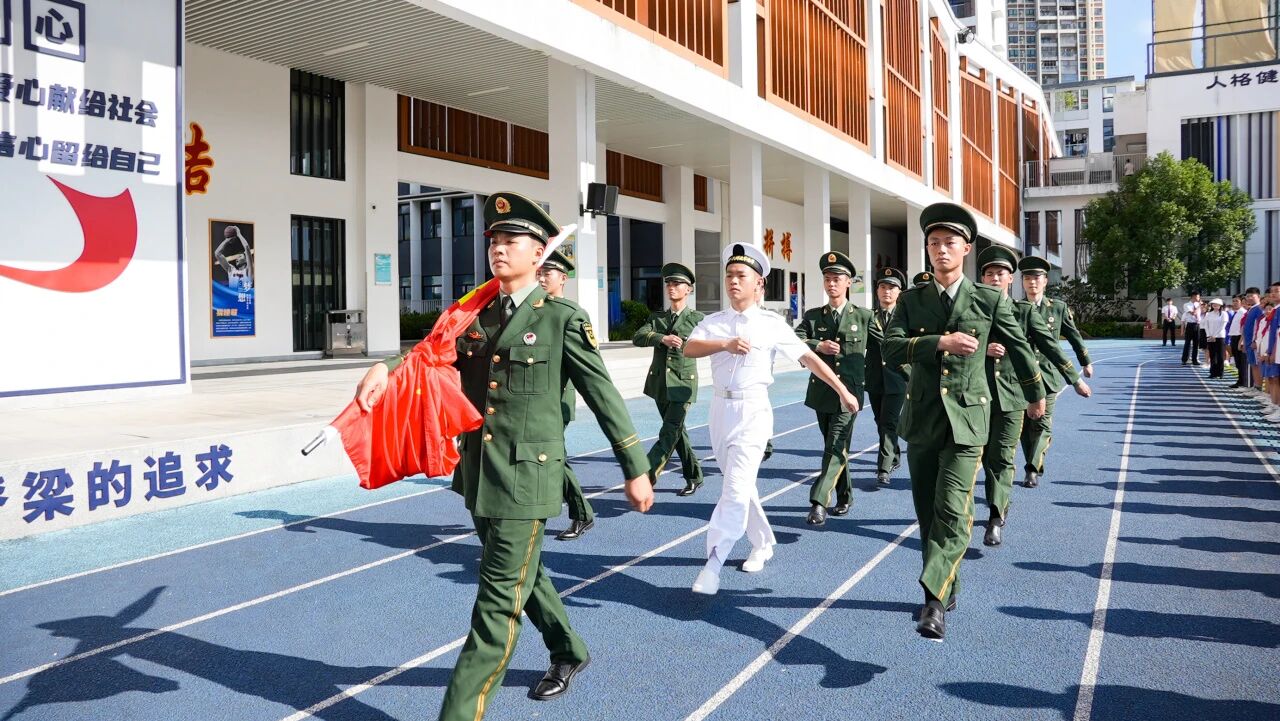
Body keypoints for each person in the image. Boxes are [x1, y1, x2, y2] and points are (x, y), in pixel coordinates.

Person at [354, 192, 653, 719]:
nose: (498, 247)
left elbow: (602, 394)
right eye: (494, 239)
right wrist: (386, 367)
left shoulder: (561, 318)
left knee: (495, 603)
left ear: (538, 253)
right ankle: (568, 649)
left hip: (527, 479)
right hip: (479, 474)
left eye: (511, 240)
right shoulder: (475, 314)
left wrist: (635, 467)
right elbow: (431, 353)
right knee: (521, 574)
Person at [882, 202, 1046, 640]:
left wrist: (1035, 395)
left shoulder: (989, 299)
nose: (941, 250)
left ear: (966, 249)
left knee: (953, 510)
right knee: (927, 514)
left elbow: (1020, 347)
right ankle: (947, 585)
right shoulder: (912, 300)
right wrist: (940, 342)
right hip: (922, 421)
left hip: (969, 422)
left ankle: (932, 601)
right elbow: (890, 349)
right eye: (933, 243)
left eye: (949, 243)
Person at [682, 242, 859, 595]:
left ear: (759, 283)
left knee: (734, 488)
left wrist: (842, 389)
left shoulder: (771, 324)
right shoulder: (714, 322)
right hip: (720, 411)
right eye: (729, 275)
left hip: (753, 412)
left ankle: (713, 563)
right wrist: (724, 344)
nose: (733, 281)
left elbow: (809, 358)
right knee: (740, 485)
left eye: (741, 275)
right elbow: (689, 347)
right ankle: (763, 542)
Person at [976, 245, 1090, 547]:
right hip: (977, 398)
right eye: (989, 274)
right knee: (985, 457)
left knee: (1001, 457)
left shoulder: (1023, 312)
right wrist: (982, 349)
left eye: (1000, 273)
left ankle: (996, 517)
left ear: (1010, 279)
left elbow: (1051, 347)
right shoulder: (970, 312)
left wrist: (1075, 378)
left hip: (1013, 397)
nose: (994, 278)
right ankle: (996, 500)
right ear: (982, 279)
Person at [794, 251, 873, 525]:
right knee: (835, 447)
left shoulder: (864, 316)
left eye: (837, 279)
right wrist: (818, 345)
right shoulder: (813, 317)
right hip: (822, 393)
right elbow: (795, 340)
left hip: (848, 395)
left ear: (848, 282)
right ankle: (845, 495)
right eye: (827, 279)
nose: (831, 284)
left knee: (836, 444)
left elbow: (886, 347)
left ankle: (818, 502)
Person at [1017, 255, 1093, 489]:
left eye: (1036, 278)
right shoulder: (1015, 309)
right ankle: (1031, 461)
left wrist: (1085, 362)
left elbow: (1073, 336)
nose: (1032, 282)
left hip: (1048, 376)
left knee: (1042, 424)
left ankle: (1032, 468)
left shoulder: (1057, 308)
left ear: (1045, 281)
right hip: (1021, 377)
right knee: (1025, 427)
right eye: (1027, 278)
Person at [536, 250, 596, 540]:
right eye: (540, 273)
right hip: (533, 400)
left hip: (556, 401)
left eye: (548, 273)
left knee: (553, 457)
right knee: (548, 457)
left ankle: (582, 513)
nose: (542, 278)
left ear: (563, 278)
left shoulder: (570, 315)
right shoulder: (532, 311)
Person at [632, 263, 706, 496]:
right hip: (660, 384)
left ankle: (646, 475)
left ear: (688, 289)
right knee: (676, 431)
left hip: (683, 384)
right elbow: (638, 337)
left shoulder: (698, 319)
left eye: (677, 284)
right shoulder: (658, 318)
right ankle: (694, 476)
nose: (671, 287)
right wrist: (661, 338)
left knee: (669, 431)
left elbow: (712, 342)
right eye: (669, 284)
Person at [867, 267, 909, 487]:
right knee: (879, 421)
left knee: (888, 422)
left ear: (899, 292)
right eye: (883, 287)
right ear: (877, 291)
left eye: (892, 287)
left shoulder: (905, 318)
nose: (887, 291)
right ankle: (894, 454)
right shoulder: (868, 317)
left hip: (898, 378)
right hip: (875, 378)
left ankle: (883, 468)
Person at [1241, 287, 1265, 391]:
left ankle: (1258, 388)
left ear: (1258, 296)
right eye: (1247, 296)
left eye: (1252, 296)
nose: (1249, 298)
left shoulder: (1259, 309)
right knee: (1253, 364)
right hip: (1249, 342)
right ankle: (1256, 386)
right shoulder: (1251, 309)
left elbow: (1260, 326)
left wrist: (1255, 341)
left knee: (1256, 365)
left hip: (1254, 343)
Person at [1203, 298, 1228, 379]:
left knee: (1220, 355)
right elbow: (1206, 325)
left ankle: (1220, 373)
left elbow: (1223, 326)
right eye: (1213, 304)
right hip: (1210, 336)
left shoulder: (1224, 314)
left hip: (1220, 336)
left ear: (1220, 305)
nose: (1215, 305)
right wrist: (1209, 335)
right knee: (1212, 354)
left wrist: (1215, 335)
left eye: (1217, 304)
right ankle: (1213, 372)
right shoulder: (1208, 314)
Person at [1182, 292, 1203, 366]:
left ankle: (1195, 359)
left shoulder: (1198, 305)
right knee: (1187, 343)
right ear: (1193, 297)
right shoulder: (1187, 305)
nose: (1199, 298)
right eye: (1198, 297)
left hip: (1197, 324)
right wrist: (1198, 306)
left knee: (1196, 343)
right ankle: (1185, 359)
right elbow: (1193, 313)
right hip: (1190, 325)